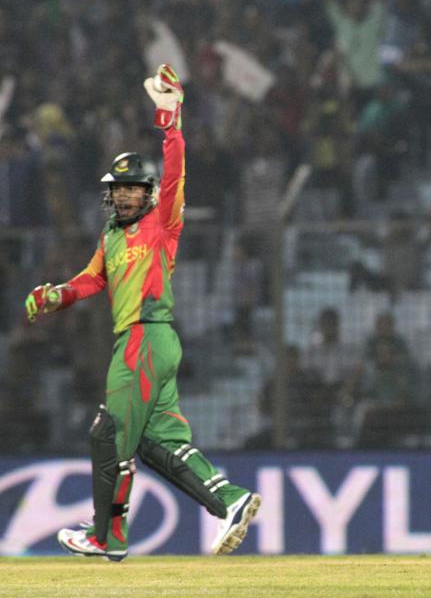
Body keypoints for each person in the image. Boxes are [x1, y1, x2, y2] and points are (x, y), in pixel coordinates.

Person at [23, 65, 261, 561]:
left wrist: (169, 123)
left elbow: (176, 173)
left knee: (107, 435)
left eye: (134, 188)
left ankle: (108, 536)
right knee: (157, 442)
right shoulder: (110, 236)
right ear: (111, 195)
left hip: (144, 339)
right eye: (120, 189)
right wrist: (54, 295)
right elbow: (91, 279)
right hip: (149, 345)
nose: (126, 195)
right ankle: (231, 500)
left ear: (147, 194)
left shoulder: (162, 225)